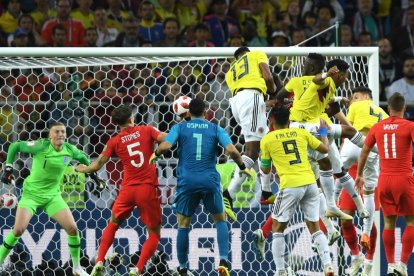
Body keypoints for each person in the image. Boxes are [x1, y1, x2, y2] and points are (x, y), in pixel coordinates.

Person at [251, 53, 346, 263]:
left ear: (313, 68)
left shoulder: (298, 82)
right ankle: (327, 230)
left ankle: (265, 230)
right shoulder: (327, 85)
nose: (304, 66)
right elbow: (330, 107)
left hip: (288, 133)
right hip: (305, 136)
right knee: (313, 184)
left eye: (307, 64)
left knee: (307, 188)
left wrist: (272, 101)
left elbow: (279, 97)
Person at [150, 98, 252, 276]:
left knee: (183, 224)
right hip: (209, 180)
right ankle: (223, 261)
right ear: (206, 111)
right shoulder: (215, 128)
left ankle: (182, 267)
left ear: (188, 112)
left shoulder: (180, 127)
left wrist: (156, 154)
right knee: (220, 219)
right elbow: (233, 151)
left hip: (187, 181)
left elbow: (166, 145)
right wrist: (243, 167)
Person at [75, 105, 167, 276]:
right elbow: (166, 139)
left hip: (127, 190)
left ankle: (100, 260)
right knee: (154, 233)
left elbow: (98, 164)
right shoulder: (147, 130)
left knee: (113, 223)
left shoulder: (114, 141)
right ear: (132, 118)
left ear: (117, 123)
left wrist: (83, 169)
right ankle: (137, 269)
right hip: (147, 189)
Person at [0, 122, 102, 276]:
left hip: (52, 196)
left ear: (66, 135)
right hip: (31, 195)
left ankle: (76, 267)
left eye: (62, 131)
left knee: (73, 229)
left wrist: (94, 176)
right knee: (18, 230)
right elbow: (15, 146)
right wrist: (8, 167)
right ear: (50, 135)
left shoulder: (70, 150)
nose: (60, 134)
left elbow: (84, 158)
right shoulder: (41, 146)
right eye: (56, 132)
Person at [288, 59, 371, 222]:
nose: (347, 78)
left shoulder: (326, 91)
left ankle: (348, 207)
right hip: (311, 128)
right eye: (346, 75)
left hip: (319, 128)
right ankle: (332, 211)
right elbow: (316, 82)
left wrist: (340, 99)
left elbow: (332, 105)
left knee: (337, 170)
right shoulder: (321, 82)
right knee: (320, 173)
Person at [261, 106, 334, 276]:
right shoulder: (301, 133)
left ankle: (280, 271)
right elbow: (324, 150)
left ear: (271, 121)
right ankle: (328, 266)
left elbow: (265, 169)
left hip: (290, 185)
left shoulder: (267, 139)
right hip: (310, 184)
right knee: (314, 226)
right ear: (289, 121)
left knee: (278, 227)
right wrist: (323, 132)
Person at [356, 93, 414, 276]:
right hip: (404, 178)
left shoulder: (377, 127)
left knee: (389, 223)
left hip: (385, 179)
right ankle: (402, 265)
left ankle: (390, 265)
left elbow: (364, 151)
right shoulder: (410, 125)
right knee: (412, 221)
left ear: (388, 109)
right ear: (404, 108)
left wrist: (359, 174)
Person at [223, 46, 276, 221]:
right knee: (252, 151)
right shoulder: (256, 54)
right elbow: (267, 76)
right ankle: (228, 194)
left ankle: (266, 191)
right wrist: (274, 90)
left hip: (236, 104)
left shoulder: (230, 72)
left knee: (264, 144)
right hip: (251, 97)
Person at [339, 87, 388, 257]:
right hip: (372, 150)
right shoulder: (384, 114)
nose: (352, 100)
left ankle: (330, 206)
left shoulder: (355, 107)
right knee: (368, 195)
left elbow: (347, 128)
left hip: (355, 144)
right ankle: (364, 236)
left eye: (355, 97)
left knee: (336, 171)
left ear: (365, 96)